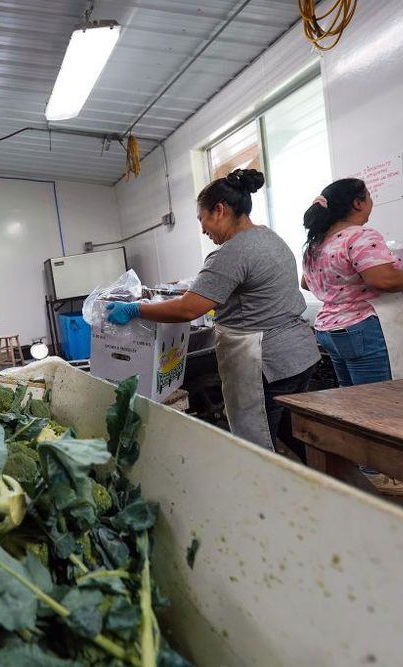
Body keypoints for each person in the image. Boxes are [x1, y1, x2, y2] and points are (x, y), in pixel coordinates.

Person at [107, 169, 320, 456]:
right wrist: (180, 291)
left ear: (219, 210)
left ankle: (262, 485)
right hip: (300, 355)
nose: (203, 230)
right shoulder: (270, 239)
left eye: (202, 219)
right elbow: (235, 290)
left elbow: (189, 309)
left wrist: (135, 309)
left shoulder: (232, 252)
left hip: (266, 363)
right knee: (296, 437)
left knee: (256, 447)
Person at [300, 178, 403, 495]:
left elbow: (305, 283)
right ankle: (381, 472)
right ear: (357, 203)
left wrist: (345, 285)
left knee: (355, 401)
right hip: (364, 327)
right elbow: (382, 279)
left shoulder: (316, 243)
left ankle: (364, 464)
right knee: (381, 405)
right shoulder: (361, 235)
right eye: (368, 196)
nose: (371, 202)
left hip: (331, 329)